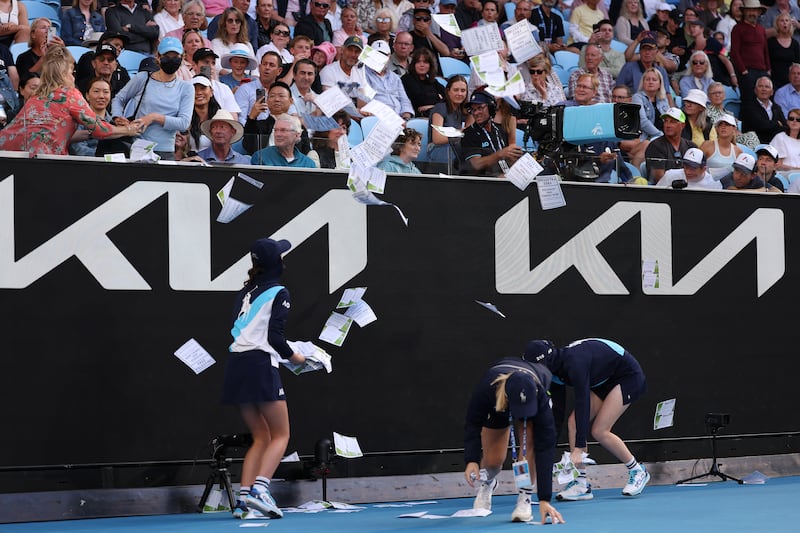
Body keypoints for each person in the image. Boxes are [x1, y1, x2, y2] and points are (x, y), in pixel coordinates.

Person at [223, 237, 306, 521]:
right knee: (281, 435)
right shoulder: (280, 291)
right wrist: (297, 358)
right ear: (275, 263)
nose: (285, 258)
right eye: (282, 255)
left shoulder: (245, 292)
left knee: (261, 436)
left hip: (236, 366)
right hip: (259, 364)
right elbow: (274, 337)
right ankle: (260, 490)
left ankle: (243, 499)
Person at [526, 338, 649, 502]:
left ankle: (637, 471)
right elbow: (558, 413)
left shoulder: (574, 363)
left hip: (626, 376)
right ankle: (581, 484)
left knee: (600, 431)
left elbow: (582, 402)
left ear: (544, 363)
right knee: (573, 423)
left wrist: (578, 448)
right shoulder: (552, 372)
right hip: (601, 380)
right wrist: (548, 448)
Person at [463, 343, 565, 525]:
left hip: (533, 398)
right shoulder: (487, 389)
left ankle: (525, 497)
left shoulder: (540, 393)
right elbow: (472, 424)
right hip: (497, 404)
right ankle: (488, 483)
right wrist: (471, 459)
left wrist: (544, 499)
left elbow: (546, 447)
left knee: (532, 441)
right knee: (493, 462)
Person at [0, 46, 139, 155]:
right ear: (63, 73)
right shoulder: (68, 94)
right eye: (71, 72)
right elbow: (100, 130)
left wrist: (88, 135)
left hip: (8, 154)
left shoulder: (36, 96)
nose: (73, 78)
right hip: (42, 160)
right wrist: (128, 130)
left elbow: (45, 131)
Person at [111, 37, 194, 160]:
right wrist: (117, 116)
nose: (171, 59)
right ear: (158, 57)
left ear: (182, 58)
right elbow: (118, 99)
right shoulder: (143, 78)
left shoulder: (186, 87)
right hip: (140, 146)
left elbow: (184, 123)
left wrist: (153, 117)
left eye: (175, 56)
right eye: (167, 55)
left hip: (167, 150)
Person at [460, 90, 523, 177]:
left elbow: (508, 159)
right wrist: (500, 154)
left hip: (502, 177)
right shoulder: (469, 134)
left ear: (491, 108)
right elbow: (476, 164)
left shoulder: (498, 130)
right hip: (483, 183)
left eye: (480, 108)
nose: (475, 113)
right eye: (473, 110)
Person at [730, 0, 770, 103]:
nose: (752, 13)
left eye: (755, 10)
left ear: (759, 12)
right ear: (744, 12)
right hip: (748, 71)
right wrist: (743, 70)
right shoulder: (737, 28)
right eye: (749, 10)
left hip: (762, 71)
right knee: (749, 100)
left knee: (764, 100)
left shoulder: (761, 29)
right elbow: (734, 52)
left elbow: (765, 50)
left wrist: (768, 69)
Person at [319, 36, 371, 113]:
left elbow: (362, 102)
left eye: (357, 51)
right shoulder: (328, 71)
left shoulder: (360, 72)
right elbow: (330, 101)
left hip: (356, 115)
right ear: (342, 50)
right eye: (350, 50)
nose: (353, 54)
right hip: (336, 115)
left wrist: (364, 112)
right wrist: (356, 112)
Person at [644, 107, 696, 182]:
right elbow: (660, 179)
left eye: (673, 122)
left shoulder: (691, 147)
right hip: (664, 191)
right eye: (666, 121)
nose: (667, 125)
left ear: (682, 125)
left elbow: (698, 173)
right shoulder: (655, 146)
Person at [235, 50, 283, 126]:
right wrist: (252, 116)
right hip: (251, 134)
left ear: (279, 71)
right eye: (264, 64)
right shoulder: (244, 89)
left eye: (271, 65)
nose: (267, 67)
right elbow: (240, 120)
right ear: (259, 67)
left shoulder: (282, 93)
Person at [69, 77, 115, 156]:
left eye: (106, 92)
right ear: (87, 96)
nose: (101, 96)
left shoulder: (114, 122)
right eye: (96, 91)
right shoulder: (79, 120)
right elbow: (79, 150)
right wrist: (104, 156)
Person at [428, 74, 467, 165]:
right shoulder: (440, 108)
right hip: (439, 150)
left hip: (454, 148)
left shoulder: (462, 110)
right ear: (448, 91)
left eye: (463, 90)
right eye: (456, 90)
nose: (460, 94)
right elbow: (437, 139)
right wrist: (459, 133)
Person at [250, 113, 315, 167]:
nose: (278, 134)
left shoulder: (308, 163)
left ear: (297, 135)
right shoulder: (261, 157)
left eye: (283, 130)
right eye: (276, 130)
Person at [740, 76, 787, 143]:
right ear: (755, 90)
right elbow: (761, 125)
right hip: (756, 144)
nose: (763, 89)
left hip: (776, 143)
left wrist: (771, 126)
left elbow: (785, 127)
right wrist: (777, 123)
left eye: (767, 87)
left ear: (772, 92)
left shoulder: (777, 108)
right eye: (760, 86)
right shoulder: (748, 106)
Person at [400, 46, 443, 117]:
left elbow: (447, 98)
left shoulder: (433, 82)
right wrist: (437, 98)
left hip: (433, 114)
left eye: (425, 62)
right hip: (415, 116)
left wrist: (431, 106)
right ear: (414, 64)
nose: (422, 65)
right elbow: (419, 99)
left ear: (430, 65)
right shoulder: (406, 79)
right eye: (418, 62)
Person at [213, 7, 256, 77]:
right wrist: (234, 77)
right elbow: (217, 67)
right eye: (230, 21)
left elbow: (254, 69)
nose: (234, 24)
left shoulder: (247, 45)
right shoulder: (216, 43)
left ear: (241, 25)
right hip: (224, 81)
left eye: (237, 21)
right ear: (224, 24)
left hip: (246, 81)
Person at [632, 67, 670, 141]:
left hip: (664, 136)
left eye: (654, 80)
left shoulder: (663, 99)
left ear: (660, 84)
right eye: (647, 79)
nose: (650, 82)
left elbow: (669, 119)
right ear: (643, 83)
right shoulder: (637, 98)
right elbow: (643, 122)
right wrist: (660, 135)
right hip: (646, 138)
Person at [701, 114, 743, 180]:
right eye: (720, 124)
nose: (723, 127)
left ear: (734, 128)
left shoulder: (738, 151)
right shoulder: (707, 145)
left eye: (727, 124)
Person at [656, 146, 722, 188]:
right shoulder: (670, 175)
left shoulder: (714, 184)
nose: (688, 172)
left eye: (693, 168)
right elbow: (657, 195)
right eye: (686, 166)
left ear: (703, 169)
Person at [768, 14, 800, 90]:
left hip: (790, 82)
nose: (784, 23)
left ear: (790, 24)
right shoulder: (771, 42)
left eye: (787, 20)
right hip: (774, 80)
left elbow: (798, 63)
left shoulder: (795, 43)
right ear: (777, 24)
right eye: (782, 20)